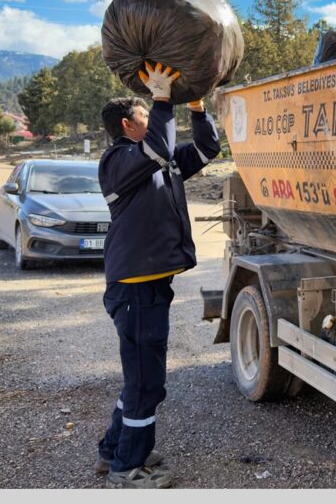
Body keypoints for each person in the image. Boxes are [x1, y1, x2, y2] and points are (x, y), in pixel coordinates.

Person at [95, 61, 220, 488]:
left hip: (148, 286)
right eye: (147, 115)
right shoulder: (118, 162)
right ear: (129, 126)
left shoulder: (155, 163)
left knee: (138, 378)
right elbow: (159, 149)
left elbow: (205, 151)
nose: (153, 120)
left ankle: (114, 449)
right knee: (147, 383)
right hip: (135, 290)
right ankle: (127, 468)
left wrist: (198, 106)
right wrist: (163, 98)